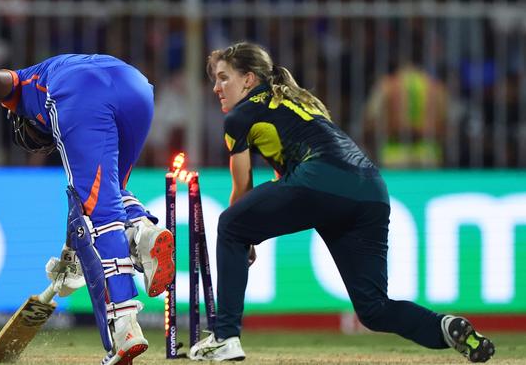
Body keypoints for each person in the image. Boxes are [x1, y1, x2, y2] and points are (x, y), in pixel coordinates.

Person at [190, 42, 495, 363]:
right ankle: (445, 327)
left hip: (321, 181)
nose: (216, 87)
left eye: (224, 78)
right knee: (374, 309)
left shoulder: (240, 115)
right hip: (371, 189)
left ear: (249, 79)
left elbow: (242, 187)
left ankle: (225, 337)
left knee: (229, 224)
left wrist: (243, 234)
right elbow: (297, 165)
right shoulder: (300, 101)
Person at [0, 54, 175, 365]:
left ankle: (126, 327)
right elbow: (84, 208)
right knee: (111, 197)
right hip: (136, 87)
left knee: (104, 217)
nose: (45, 143)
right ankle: (143, 233)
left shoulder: (24, 89)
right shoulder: (58, 70)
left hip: (79, 92)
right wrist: (70, 254)